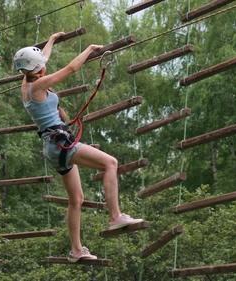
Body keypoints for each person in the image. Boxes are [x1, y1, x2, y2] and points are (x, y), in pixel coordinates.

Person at [13, 32, 144, 262]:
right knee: (110, 163)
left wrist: (51, 39)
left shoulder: (26, 84)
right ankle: (115, 216)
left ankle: (76, 250)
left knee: (76, 200)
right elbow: (71, 68)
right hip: (62, 143)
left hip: (52, 147)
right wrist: (90, 49)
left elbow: (40, 60)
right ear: (38, 70)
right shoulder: (41, 84)